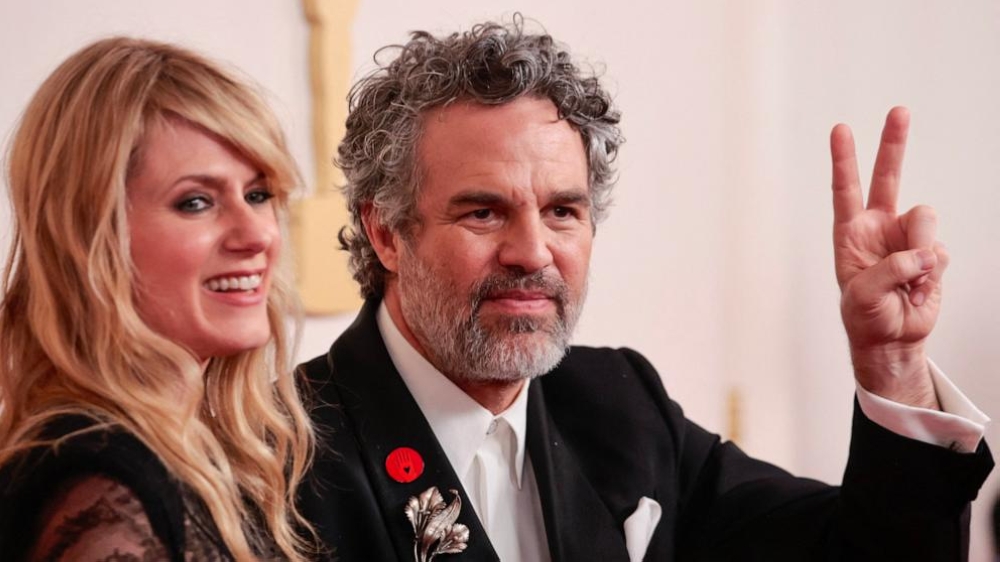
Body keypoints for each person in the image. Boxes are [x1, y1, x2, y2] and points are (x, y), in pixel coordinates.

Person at [296, 16, 993, 562]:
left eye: (563, 210)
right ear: (386, 232)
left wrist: (891, 363)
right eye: (484, 211)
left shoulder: (619, 403)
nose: (533, 252)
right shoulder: (280, 452)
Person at [0, 38, 316, 561]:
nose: (255, 235)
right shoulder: (98, 483)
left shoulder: (201, 454)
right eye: (196, 202)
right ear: (92, 236)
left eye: (258, 195)